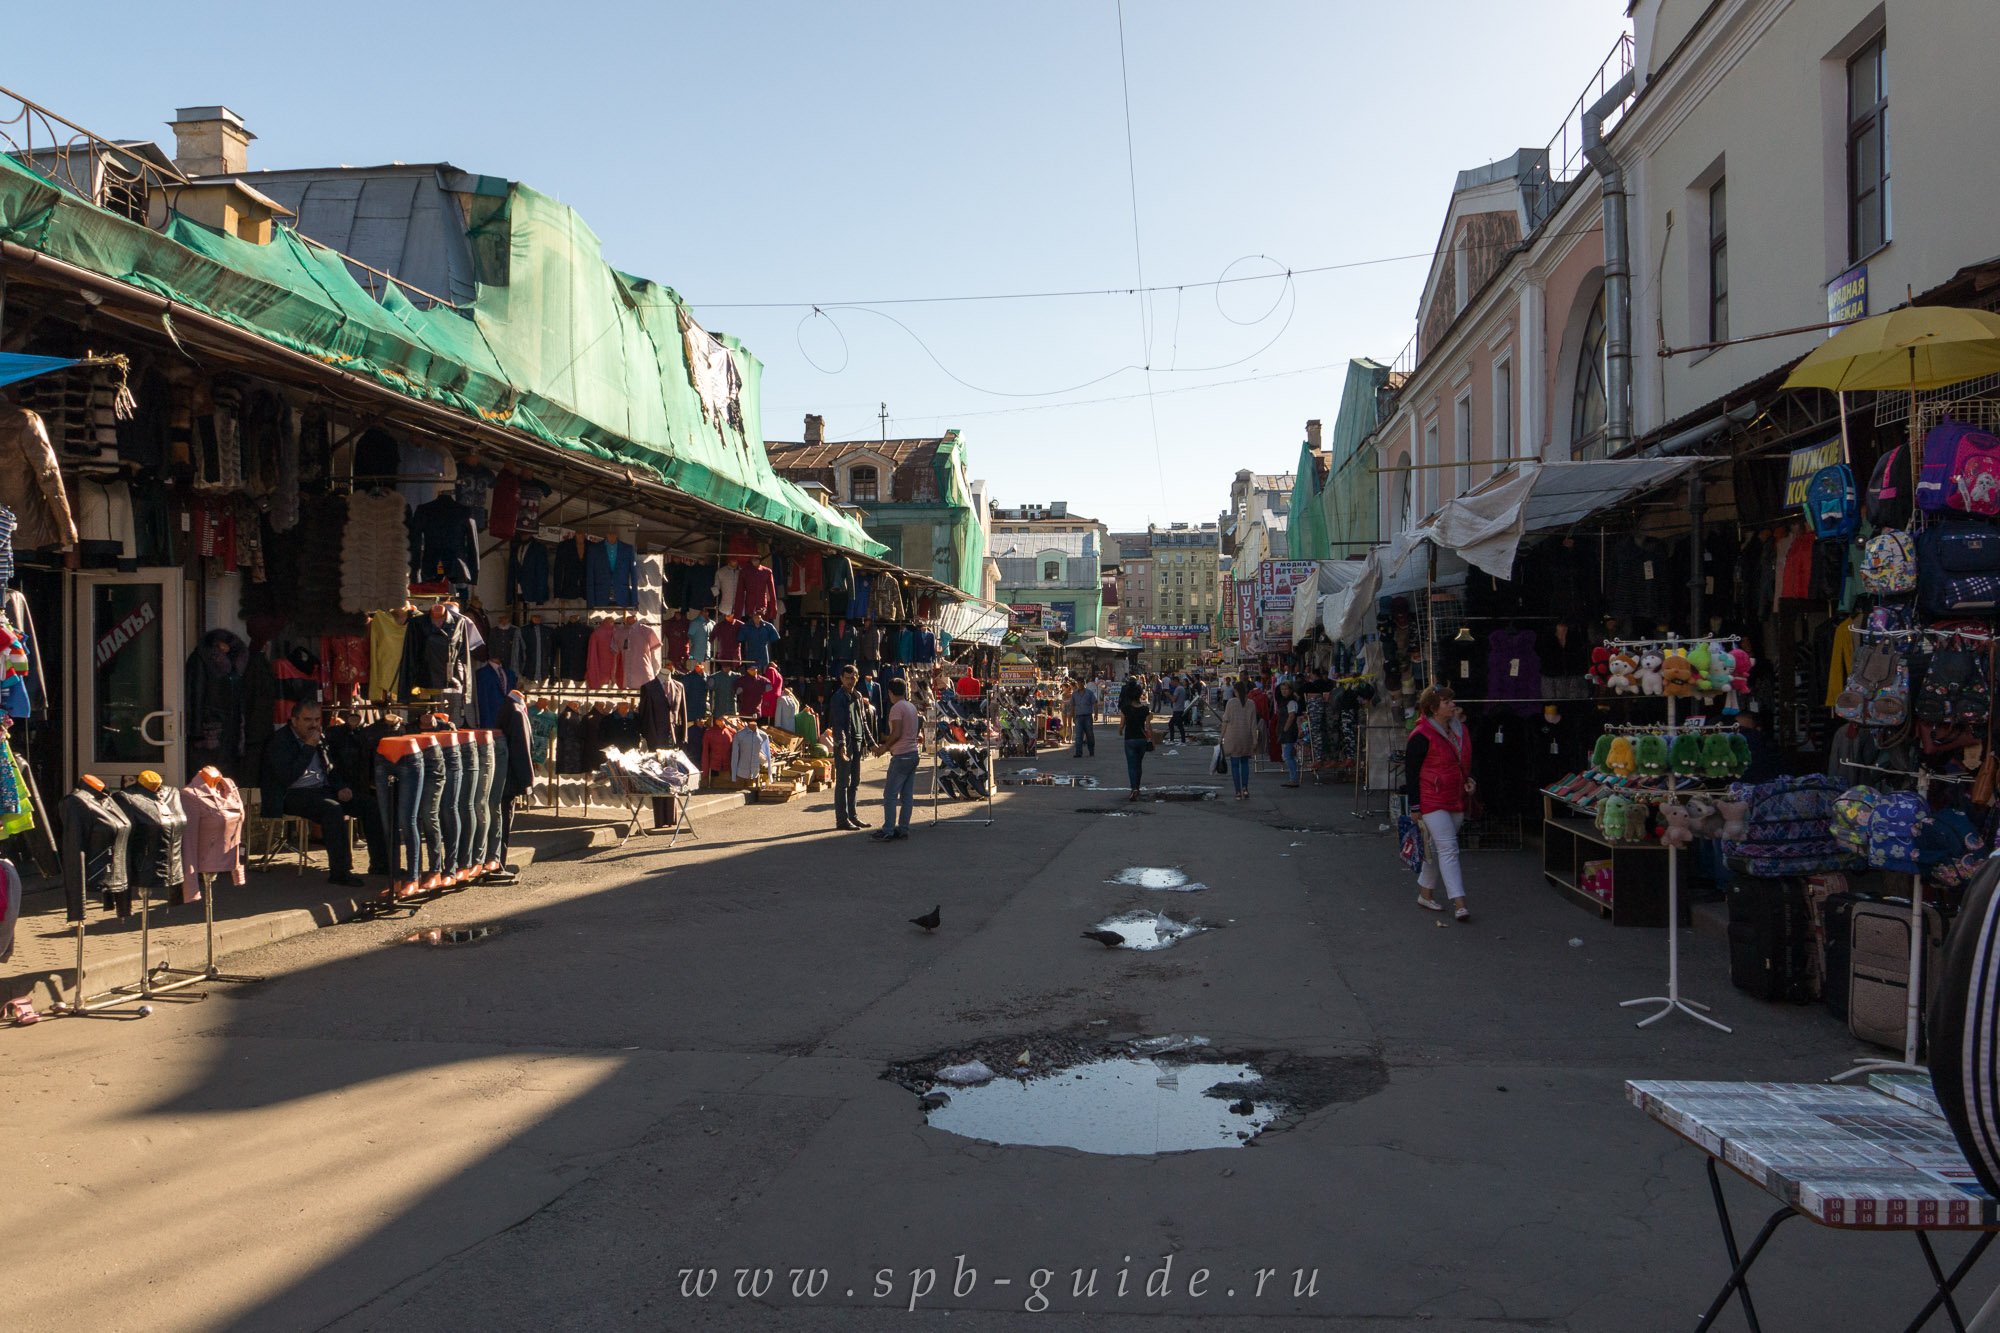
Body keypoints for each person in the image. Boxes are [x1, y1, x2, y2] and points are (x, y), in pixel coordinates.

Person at [260, 701, 387, 887]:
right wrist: (308, 747)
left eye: (317, 719)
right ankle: (340, 872)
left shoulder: (320, 737)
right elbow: (287, 777)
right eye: (307, 720)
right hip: (292, 794)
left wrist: (341, 787)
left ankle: (380, 865)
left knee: (370, 805)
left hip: (322, 789)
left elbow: (330, 767)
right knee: (332, 810)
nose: (313, 724)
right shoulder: (280, 741)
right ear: (294, 720)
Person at [1406, 686, 1475, 922]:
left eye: (1451, 700)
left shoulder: (1460, 730)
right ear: (1433, 709)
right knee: (1448, 848)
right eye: (1446, 702)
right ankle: (1459, 902)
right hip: (1432, 798)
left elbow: (1462, 763)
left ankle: (1425, 893)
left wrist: (1469, 780)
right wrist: (1415, 806)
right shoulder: (1421, 734)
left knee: (1436, 848)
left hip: (1455, 796)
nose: (1451, 705)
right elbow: (1412, 772)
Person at [871, 677, 921, 841]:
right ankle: (903, 828)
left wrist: (884, 747)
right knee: (907, 795)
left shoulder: (896, 708)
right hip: (913, 753)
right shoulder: (911, 706)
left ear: (890, 692)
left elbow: (897, 732)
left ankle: (888, 829)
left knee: (890, 795)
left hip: (901, 755)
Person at [826, 664, 875, 831]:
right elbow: (838, 725)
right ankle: (842, 820)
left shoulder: (858, 696)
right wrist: (841, 745)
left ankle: (853, 816)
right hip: (845, 745)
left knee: (855, 782)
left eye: (853, 677)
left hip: (857, 743)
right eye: (846, 678)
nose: (850, 681)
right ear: (841, 678)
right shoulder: (838, 697)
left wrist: (871, 743)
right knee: (843, 783)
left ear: (857, 677)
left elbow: (863, 722)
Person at [1220, 679, 1261, 800]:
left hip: (1233, 737)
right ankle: (1245, 788)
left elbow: (1225, 721)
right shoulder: (1251, 703)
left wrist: (1221, 737)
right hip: (1246, 737)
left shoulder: (1231, 703)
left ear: (1235, 691)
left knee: (1234, 765)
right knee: (1245, 764)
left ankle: (1238, 791)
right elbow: (1254, 724)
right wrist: (1255, 740)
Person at [1118, 674, 1156, 801]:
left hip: (1129, 739)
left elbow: (1121, 726)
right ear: (1140, 695)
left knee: (1131, 765)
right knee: (1138, 764)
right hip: (1142, 739)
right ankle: (1137, 788)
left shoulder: (1125, 708)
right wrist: (1152, 740)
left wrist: (1120, 731)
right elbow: (1148, 726)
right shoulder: (1145, 709)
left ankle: (1134, 788)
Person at [1277, 680, 1303, 787]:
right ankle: (1292, 778)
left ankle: (1294, 779)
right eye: (1282, 689)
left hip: (1289, 732)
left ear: (1291, 690)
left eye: (1286, 689)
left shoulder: (1291, 702)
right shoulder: (1283, 701)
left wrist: (1285, 729)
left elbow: (1291, 716)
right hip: (1285, 731)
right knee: (1286, 755)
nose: (1284, 691)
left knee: (1287, 756)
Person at [1070, 677, 1099, 757]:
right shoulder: (1074, 694)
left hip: (1088, 717)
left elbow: (1095, 703)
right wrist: (1072, 716)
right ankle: (1078, 752)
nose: (1079, 685)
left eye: (1081, 683)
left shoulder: (1089, 693)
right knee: (1078, 735)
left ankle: (1091, 751)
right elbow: (1072, 706)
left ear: (1084, 683)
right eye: (1078, 683)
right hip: (1078, 717)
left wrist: (1096, 714)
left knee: (1089, 735)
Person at [1167, 676, 1190, 744]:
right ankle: (1173, 739)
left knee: (1179, 726)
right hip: (1179, 709)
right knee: (1172, 724)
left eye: (1172, 681)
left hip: (1177, 710)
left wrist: (1168, 695)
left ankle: (1181, 740)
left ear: (1175, 681)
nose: (1171, 683)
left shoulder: (1178, 689)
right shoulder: (1182, 688)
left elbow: (1174, 699)